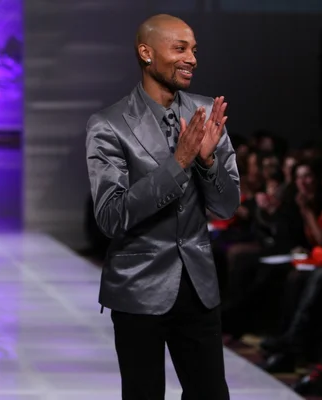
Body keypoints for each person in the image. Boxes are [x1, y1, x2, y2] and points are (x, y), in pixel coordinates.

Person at [85, 14, 240, 400]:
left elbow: (226, 207)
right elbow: (110, 216)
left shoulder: (205, 115)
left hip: (199, 286)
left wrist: (206, 162)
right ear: (146, 53)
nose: (192, 59)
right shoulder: (109, 125)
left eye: (194, 49)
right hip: (137, 285)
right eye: (180, 48)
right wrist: (179, 164)